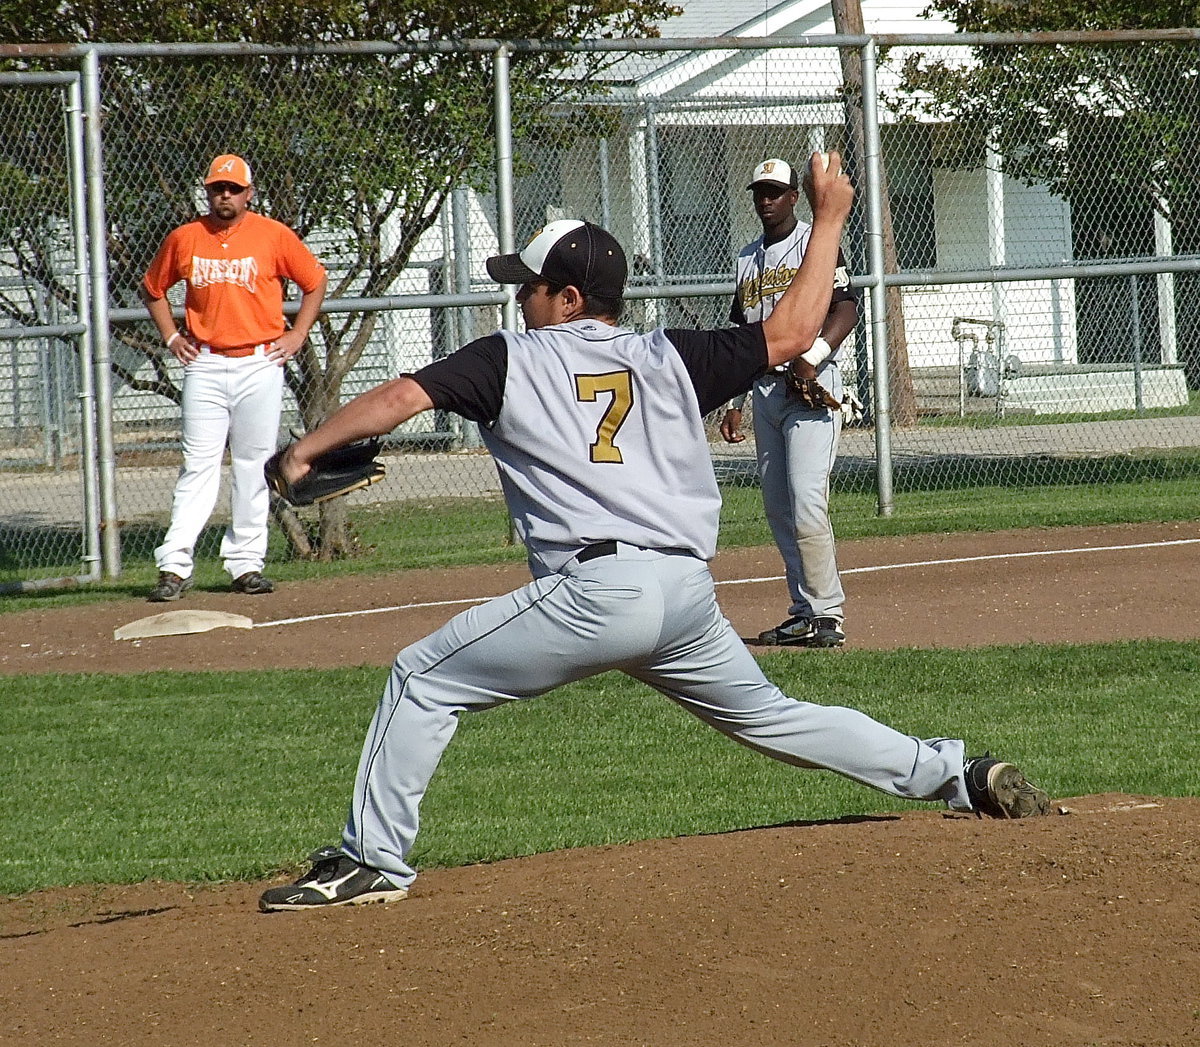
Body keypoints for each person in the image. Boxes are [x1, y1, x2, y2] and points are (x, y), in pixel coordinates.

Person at [258, 154, 1049, 912]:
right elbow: (798, 328)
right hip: (685, 594)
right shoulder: (674, 353)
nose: (521, 300)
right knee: (772, 715)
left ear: (569, 299)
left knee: (420, 679)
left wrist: (304, 450)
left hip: (596, 593)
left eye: (531, 287)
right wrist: (833, 215)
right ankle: (956, 772)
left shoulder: (512, 357)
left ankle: (373, 859)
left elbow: (401, 395)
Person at [140, 154, 328, 602]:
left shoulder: (273, 235)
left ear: (249, 193)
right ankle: (174, 565)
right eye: (216, 188)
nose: (224, 195)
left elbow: (314, 280)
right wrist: (170, 337)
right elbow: (153, 289)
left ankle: (246, 564)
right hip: (204, 363)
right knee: (198, 466)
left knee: (254, 466)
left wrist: (297, 333)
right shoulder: (185, 238)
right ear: (207, 193)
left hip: (260, 362)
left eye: (233, 188)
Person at [720, 157, 859, 649]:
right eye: (760, 191)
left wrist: (813, 359)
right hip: (763, 391)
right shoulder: (746, 258)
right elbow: (743, 333)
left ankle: (828, 614)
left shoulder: (813, 242)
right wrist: (732, 399)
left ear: (794, 197)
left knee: (805, 502)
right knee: (779, 508)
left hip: (808, 388)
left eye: (776, 191)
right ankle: (803, 611)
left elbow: (846, 305)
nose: (767, 200)